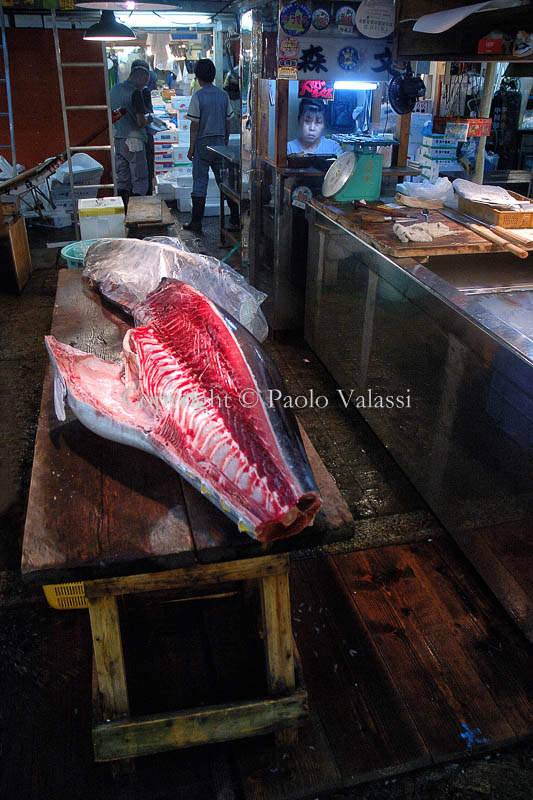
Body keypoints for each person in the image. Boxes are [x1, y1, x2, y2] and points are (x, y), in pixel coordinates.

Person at [183, 58, 240, 234]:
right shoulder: (223, 95)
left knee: (200, 182)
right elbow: (229, 120)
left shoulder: (198, 96)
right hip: (220, 144)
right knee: (226, 182)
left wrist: (191, 147)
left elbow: (194, 125)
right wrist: (225, 140)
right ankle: (235, 218)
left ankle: (196, 222)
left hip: (203, 143)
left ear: (198, 77)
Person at [110, 59, 152, 209]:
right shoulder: (136, 93)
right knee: (139, 180)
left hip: (119, 140)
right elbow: (141, 122)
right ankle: (138, 213)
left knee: (123, 179)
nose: (145, 83)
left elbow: (113, 115)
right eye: (145, 79)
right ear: (142, 76)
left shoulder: (114, 90)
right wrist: (150, 120)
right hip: (134, 141)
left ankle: (122, 212)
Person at [142, 69, 158, 195]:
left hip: (127, 137)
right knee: (147, 165)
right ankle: (147, 192)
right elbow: (148, 113)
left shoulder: (122, 90)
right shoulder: (144, 91)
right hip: (145, 135)